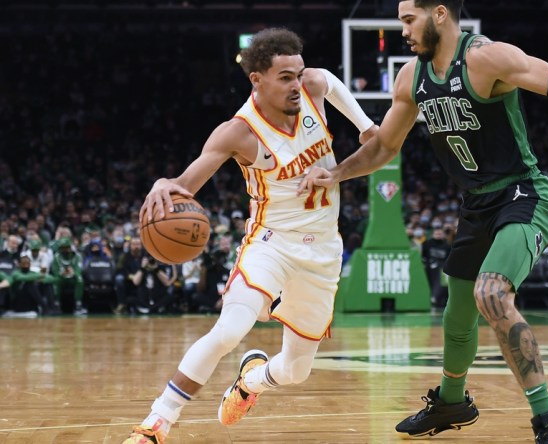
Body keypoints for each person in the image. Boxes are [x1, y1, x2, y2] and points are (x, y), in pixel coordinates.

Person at [298, 1, 548, 442]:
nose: (402, 31)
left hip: (523, 193)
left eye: (407, 20)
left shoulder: (485, 57)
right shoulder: (410, 78)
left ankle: (547, 422)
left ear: (439, 14)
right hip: (475, 204)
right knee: (457, 315)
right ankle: (452, 402)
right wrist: (337, 172)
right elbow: (384, 147)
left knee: (491, 294)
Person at [121, 28, 377, 444]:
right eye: (285, 77)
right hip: (270, 243)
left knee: (296, 372)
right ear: (256, 79)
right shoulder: (238, 132)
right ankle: (157, 423)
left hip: (324, 249)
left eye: (297, 73)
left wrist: (365, 126)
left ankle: (251, 382)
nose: (297, 84)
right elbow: (186, 182)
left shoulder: (313, 85)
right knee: (228, 329)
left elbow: (328, 80)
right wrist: (163, 183)